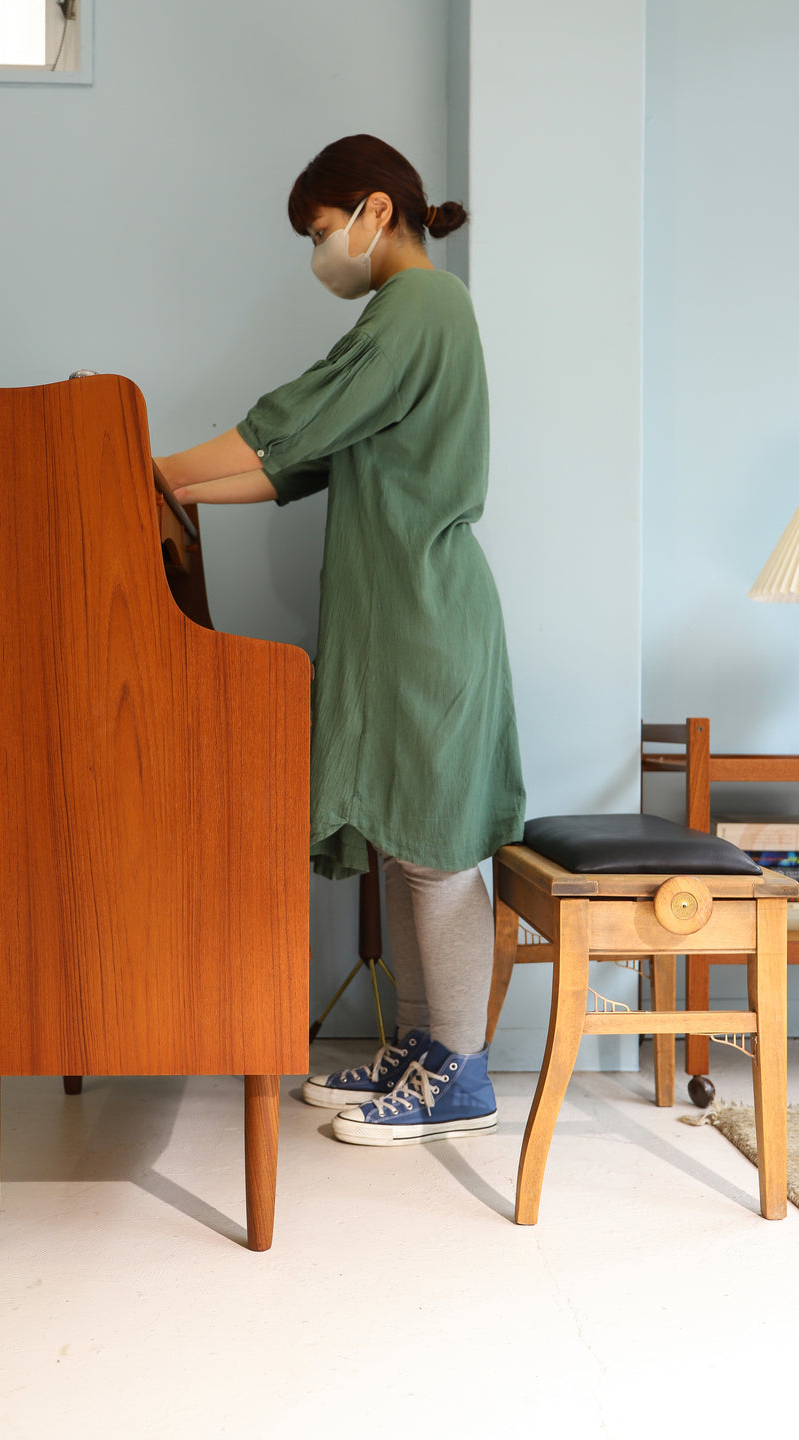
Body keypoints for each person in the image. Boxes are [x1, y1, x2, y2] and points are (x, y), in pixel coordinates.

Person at [154, 134, 525, 1147]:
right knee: (407, 847)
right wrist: (170, 486)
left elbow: (294, 421)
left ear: (372, 210)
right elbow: (297, 464)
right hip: (397, 617)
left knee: (436, 851)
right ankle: (418, 1046)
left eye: (321, 233)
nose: (320, 254)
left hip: (429, 613)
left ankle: (459, 1073)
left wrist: (144, 464)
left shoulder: (422, 306)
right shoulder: (401, 316)